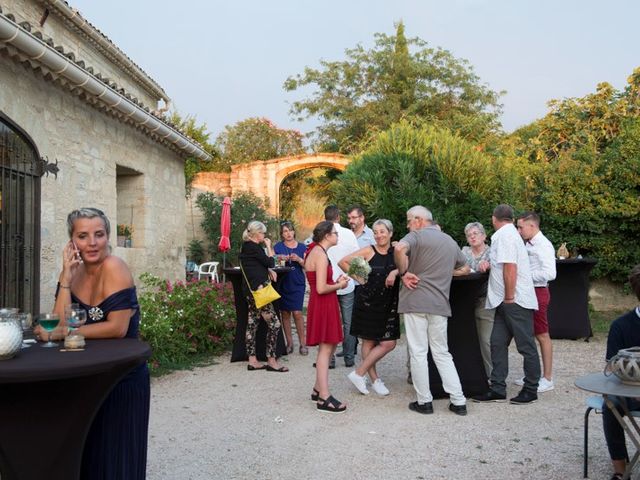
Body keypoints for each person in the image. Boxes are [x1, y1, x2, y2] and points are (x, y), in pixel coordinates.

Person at [34, 207, 150, 479]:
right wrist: (65, 278)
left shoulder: (115, 267)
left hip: (120, 378)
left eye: (99, 234)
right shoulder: (75, 272)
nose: (92, 242)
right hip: (87, 376)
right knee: (89, 456)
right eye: (83, 236)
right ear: (72, 241)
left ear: (107, 237)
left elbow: (118, 328)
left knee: (116, 459)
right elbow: (61, 318)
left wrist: (64, 333)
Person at [394, 206, 468, 416]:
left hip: (415, 301)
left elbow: (399, 249)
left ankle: (424, 401)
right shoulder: (450, 241)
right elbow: (466, 268)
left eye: (409, 221)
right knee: (442, 353)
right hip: (439, 304)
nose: (408, 225)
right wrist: (445, 273)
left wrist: (404, 273)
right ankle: (459, 401)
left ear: (418, 220)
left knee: (418, 352)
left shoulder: (415, 236)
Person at [472, 204, 540, 405]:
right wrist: (490, 265)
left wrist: (509, 296)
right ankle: (498, 388)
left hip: (514, 300)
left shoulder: (505, 236)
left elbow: (510, 266)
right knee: (497, 343)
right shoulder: (507, 235)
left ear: (494, 218)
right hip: (503, 301)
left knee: (525, 345)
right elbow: (503, 263)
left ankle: (531, 389)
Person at [339, 219, 400, 396]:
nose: (379, 235)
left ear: (390, 233)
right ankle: (374, 380)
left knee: (389, 343)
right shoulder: (369, 250)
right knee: (369, 341)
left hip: (389, 303)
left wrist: (395, 272)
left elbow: (406, 266)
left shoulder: (397, 251)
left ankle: (359, 373)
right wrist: (360, 279)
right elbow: (343, 262)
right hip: (367, 302)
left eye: (382, 231)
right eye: (376, 232)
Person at [304, 221, 350, 413]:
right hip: (324, 303)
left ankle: (317, 389)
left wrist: (336, 281)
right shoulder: (320, 255)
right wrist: (339, 285)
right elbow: (322, 288)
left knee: (328, 347)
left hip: (321, 302)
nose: (337, 236)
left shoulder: (314, 251)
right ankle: (324, 397)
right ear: (326, 236)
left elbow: (320, 283)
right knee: (326, 348)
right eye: (335, 233)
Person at [602, 265, 640, 480]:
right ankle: (620, 470)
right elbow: (610, 366)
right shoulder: (621, 325)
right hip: (629, 394)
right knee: (611, 404)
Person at [238, 220, 288, 372]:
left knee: (252, 324)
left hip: (250, 292)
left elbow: (256, 266)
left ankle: (252, 360)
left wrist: (268, 270)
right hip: (259, 292)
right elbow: (271, 261)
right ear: (256, 233)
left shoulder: (245, 247)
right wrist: (268, 246)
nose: (264, 235)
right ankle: (271, 360)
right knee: (274, 324)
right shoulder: (255, 248)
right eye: (263, 233)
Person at [516, 211, 556, 393]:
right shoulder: (527, 243)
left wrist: (524, 276)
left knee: (542, 334)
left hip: (538, 292)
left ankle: (547, 378)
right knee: (528, 333)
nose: (519, 230)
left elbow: (550, 274)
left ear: (532, 226)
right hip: (527, 292)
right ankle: (531, 374)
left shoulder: (544, 245)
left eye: (521, 227)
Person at [454, 222, 495, 378]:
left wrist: (490, 265)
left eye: (475, 233)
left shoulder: (492, 253)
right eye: (469, 235)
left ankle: (491, 376)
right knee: (465, 338)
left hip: (484, 300)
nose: (472, 237)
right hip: (464, 301)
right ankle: (470, 374)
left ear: (484, 236)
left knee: (486, 340)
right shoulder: (463, 252)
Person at [324, 205, 360, 368]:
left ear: (325, 217)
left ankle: (329, 359)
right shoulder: (349, 234)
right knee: (349, 322)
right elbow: (357, 258)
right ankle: (349, 357)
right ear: (338, 217)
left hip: (328, 284)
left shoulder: (320, 233)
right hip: (346, 282)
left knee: (329, 321)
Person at [274, 221, 308, 355]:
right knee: (285, 313)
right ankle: (289, 343)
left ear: (294, 231)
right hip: (283, 283)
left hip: (297, 283)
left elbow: (308, 266)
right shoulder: (278, 246)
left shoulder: (302, 247)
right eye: (285, 231)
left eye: (290, 230)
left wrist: (299, 259)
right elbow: (272, 263)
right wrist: (279, 258)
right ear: (282, 234)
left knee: (298, 313)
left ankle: (303, 343)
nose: (288, 233)